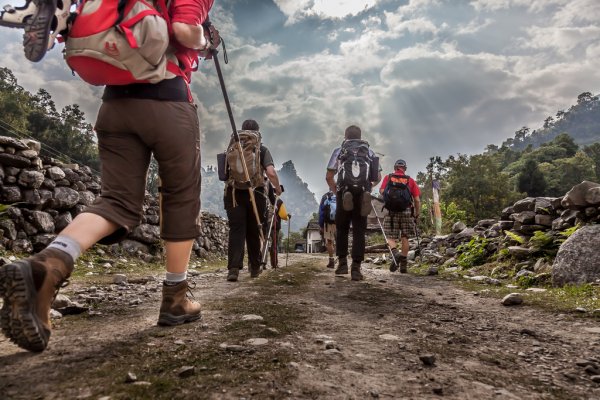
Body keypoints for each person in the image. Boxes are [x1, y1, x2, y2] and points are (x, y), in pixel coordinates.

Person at [0, 0, 215, 353]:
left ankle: (48, 265)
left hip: (115, 105)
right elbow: (183, 31)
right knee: (181, 196)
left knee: (115, 201)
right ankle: (176, 298)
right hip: (168, 100)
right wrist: (204, 42)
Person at [224, 119, 282, 282]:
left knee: (236, 230)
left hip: (233, 193)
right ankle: (255, 268)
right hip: (255, 193)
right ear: (257, 132)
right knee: (253, 230)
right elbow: (270, 173)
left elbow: (224, 172)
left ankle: (233, 270)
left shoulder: (233, 146)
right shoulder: (261, 149)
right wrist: (277, 188)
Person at [325, 125, 381, 281]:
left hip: (344, 191)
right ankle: (356, 268)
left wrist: (337, 192)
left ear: (345, 136)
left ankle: (342, 264)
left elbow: (329, 176)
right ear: (360, 136)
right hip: (363, 193)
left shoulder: (340, 150)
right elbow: (378, 176)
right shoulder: (369, 151)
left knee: (342, 228)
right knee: (359, 230)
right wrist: (368, 188)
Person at [379, 159, 421, 273]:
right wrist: (417, 213)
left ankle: (395, 253)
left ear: (395, 167)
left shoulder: (388, 178)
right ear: (405, 168)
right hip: (406, 211)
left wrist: (392, 198)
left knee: (390, 236)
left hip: (391, 212)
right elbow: (417, 200)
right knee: (405, 237)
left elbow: (382, 191)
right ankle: (403, 265)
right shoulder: (410, 180)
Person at [318, 191, 336, 268]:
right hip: (342, 221)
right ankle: (343, 261)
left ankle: (331, 261)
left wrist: (321, 225)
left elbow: (321, 211)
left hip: (329, 222)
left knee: (329, 242)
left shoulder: (326, 196)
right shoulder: (343, 193)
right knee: (342, 241)